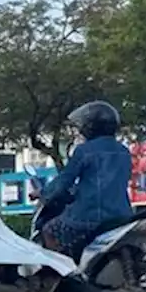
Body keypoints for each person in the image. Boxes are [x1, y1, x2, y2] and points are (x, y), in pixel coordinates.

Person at [34, 100, 134, 257]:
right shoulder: (124, 152)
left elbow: (63, 182)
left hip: (88, 217)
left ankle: (62, 271)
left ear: (91, 127)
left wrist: (44, 193)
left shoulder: (84, 151)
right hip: (122, 215)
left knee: (49, 230)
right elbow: (111, 182)